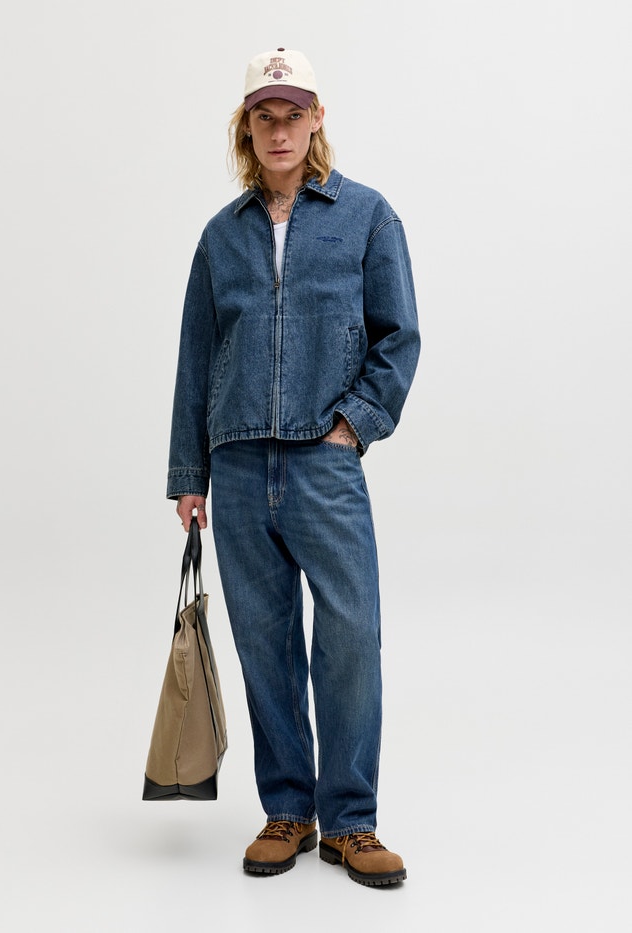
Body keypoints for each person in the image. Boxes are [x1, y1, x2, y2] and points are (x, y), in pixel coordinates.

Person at [167, 47, 420, 887]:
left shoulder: (368, 217)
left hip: (324, 462)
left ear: (317, 121)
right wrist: (190, 473)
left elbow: (398, 337)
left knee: (349, 639)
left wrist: (354, 426)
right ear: (247, 127)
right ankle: (288, 809)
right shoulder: (221, 235)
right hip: (238, 465)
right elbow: (196, 357)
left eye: (293, 114)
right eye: (264, 116)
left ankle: (351, 820)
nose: (279, 130)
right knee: (264, 644)